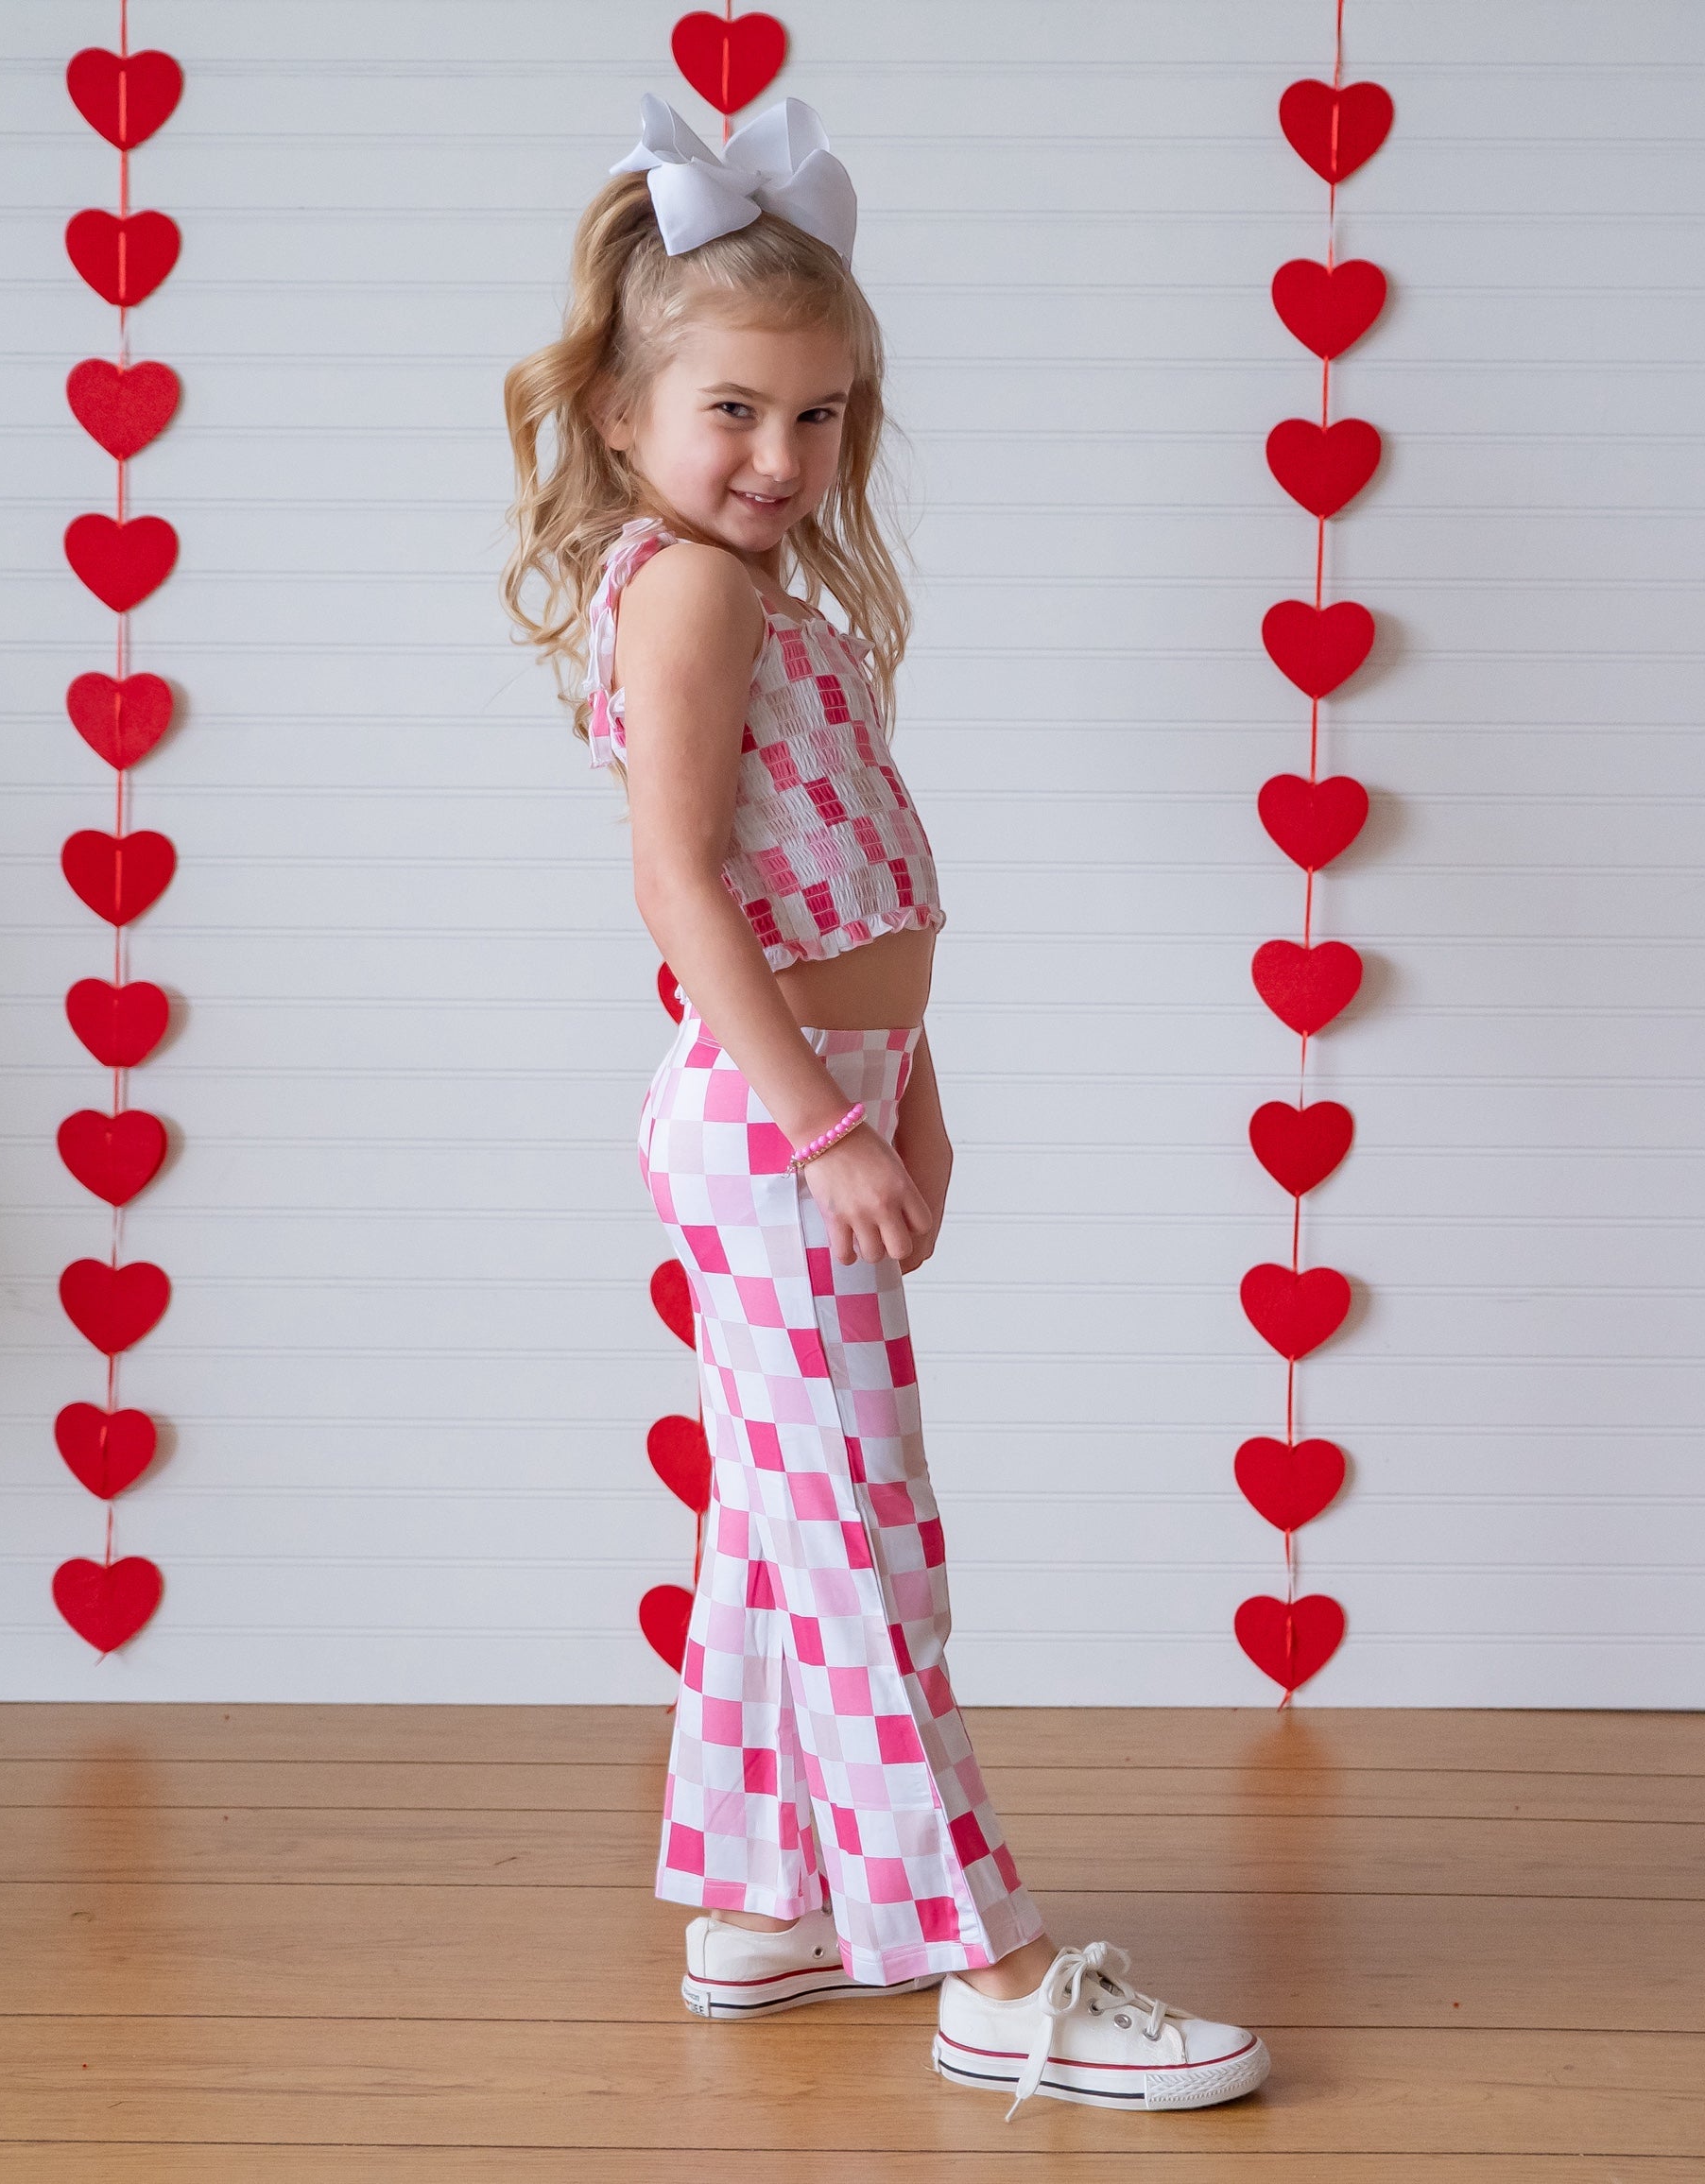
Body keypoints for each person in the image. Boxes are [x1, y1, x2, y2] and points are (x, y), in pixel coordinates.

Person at [501, 92, 1269, 2118]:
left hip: (823, 1103)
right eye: (734, 411)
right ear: (621, 418)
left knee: (788, 1523)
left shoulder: (783, 610)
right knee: (862, 1540)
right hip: (775, 1125)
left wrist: (909, 1094)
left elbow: (844, 889)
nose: (781, 454)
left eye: (820, 415)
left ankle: (763, 1903)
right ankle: (992, 1976)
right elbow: (683, 887)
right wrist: (828, 1128)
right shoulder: (686, 594)